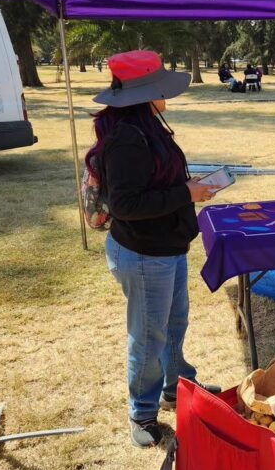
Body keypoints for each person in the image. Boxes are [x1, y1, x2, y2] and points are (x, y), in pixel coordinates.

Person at [86, 50, 220, 448]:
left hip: (166, 247)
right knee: (148, 336)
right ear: (146, 92)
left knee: (173, 324)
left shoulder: (143, 125)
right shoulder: (128, 137)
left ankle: (176, 386)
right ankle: (142, 414)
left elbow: (153, 183)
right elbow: (126, 205)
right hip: (145, 254)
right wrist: (186, 192)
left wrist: (186, 188)